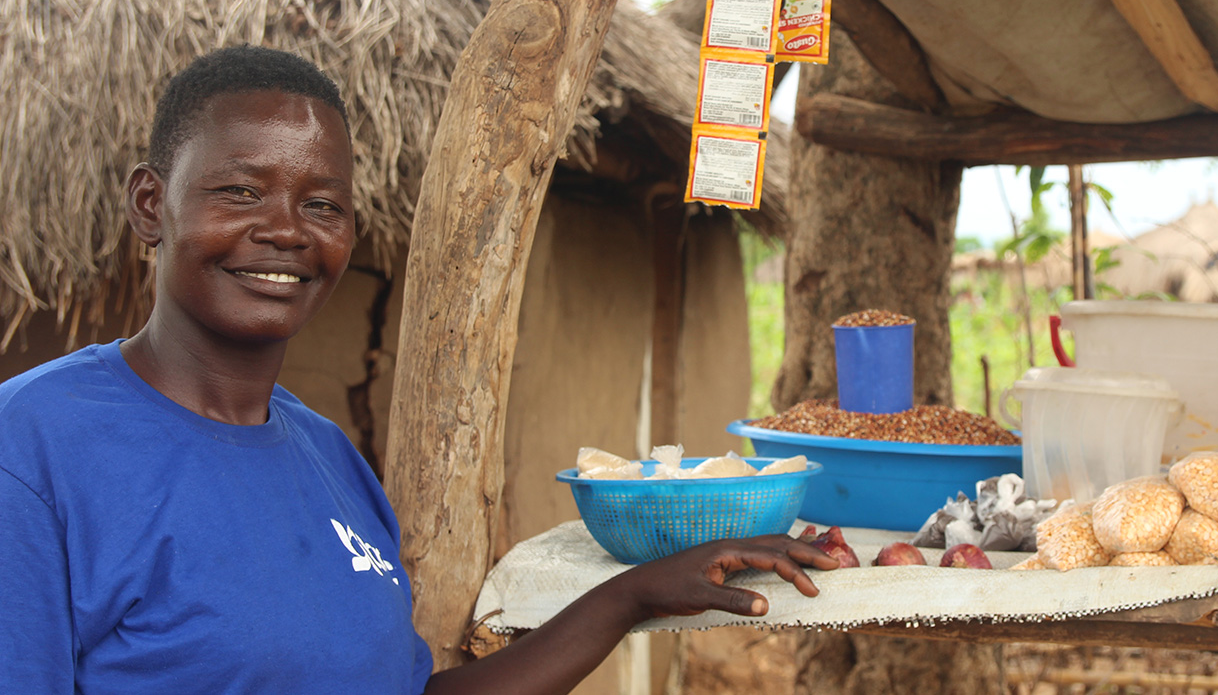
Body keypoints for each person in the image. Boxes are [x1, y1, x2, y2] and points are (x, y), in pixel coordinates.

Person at [0, 45, 836, 694]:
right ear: (152, 204)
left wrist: (631, 596)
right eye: (242, 191)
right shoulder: (35, 451)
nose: (287, 230)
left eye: (322, 204)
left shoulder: (329, 461)